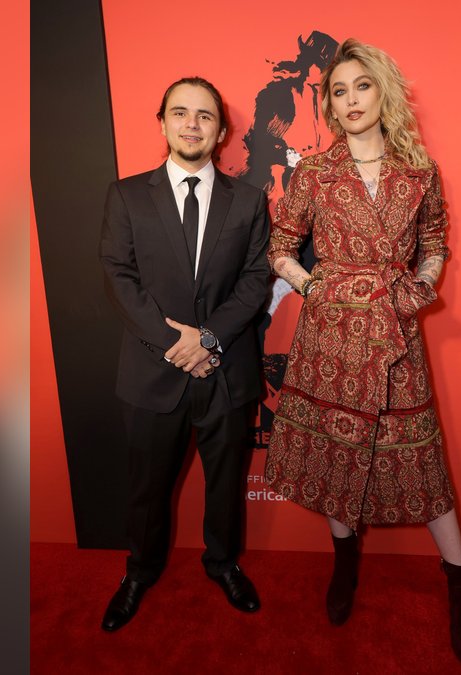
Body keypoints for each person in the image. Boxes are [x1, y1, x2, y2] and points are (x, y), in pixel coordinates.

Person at [263, 39, 461, 663]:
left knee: (420, 458)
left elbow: (435, 239)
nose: (351, 100)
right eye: (339, 90)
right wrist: (315, 286)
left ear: (382, 92)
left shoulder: (419, 171)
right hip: (330, 337)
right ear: (328, 106)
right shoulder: (314, 173)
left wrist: (421, 288)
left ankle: (457, 578)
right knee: (336, 453)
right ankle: (344, 564)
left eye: (362, 86)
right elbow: (282, 245)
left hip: (394, 329)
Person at [98, 76, 272, 632]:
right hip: (153, 371)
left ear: (221, 131)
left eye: (204, 116)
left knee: (225, 484)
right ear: (163, 122)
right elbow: (119, 278)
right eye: (180, 113)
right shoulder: (126, 195)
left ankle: (223, 563)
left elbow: (254, 280)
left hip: (225, 371)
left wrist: (209, 339)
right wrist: (177, 343)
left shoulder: (248, 200)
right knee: (147, 488)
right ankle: (139, 572)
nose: (192, 124)